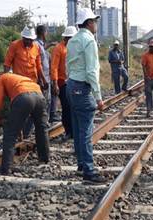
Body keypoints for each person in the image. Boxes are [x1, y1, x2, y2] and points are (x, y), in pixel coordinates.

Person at [66, 8, 106, 184]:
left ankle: (82, 164)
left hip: (71, 85)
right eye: (94, 21)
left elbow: (69, 65)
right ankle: (89, 171)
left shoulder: (72, 40)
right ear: (89, 23)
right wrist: (98, 97)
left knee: (77, 127)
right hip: (82, 87)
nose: (96, 24)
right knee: (86, 130)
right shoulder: (89, 41)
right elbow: (91, 71)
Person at [0, 73, 49, 175]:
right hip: (39, 96)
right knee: (42, 129)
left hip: (24, 97)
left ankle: (6, 168)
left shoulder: (1, 79)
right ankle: (44, 159)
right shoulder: (20, 79)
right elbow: (20, 117)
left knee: (10, 134)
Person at [51, 26, 78, 140]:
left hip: (74, 80)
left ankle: (74, 131)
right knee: (66, 108)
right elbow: (54, 67)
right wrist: (55, 83)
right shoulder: (59, 48)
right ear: (66, 38)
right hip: (63, 82)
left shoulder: (74, 47)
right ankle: (69, 132)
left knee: (75, 107)